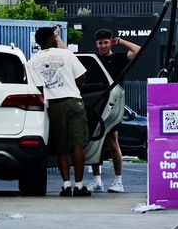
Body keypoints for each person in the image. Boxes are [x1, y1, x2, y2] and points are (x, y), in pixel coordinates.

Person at [28, 25, 89, 197]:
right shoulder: (67, 54)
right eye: (54, 37)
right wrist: (71, 88)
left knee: (61, 147)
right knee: (78, 145)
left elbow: (38, 87)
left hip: (53, 105)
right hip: (73, 102)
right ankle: (79, 186)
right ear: (49, 39)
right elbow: (81, 76)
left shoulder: (32, 62)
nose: (56, 39)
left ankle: (66, 185)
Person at [88, 29, 139, 193]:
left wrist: (121, 41)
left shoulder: (119, 58)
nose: (103, 46)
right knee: (95, 141)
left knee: (113, 140)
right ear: (96, 44)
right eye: (100, 43)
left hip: (112, 103)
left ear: (111, 42)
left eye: (106, 42)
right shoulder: (93, 60)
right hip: (96, 103)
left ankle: (118, 181)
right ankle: (97, 180)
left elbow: (137, 50)